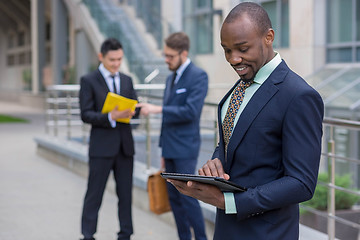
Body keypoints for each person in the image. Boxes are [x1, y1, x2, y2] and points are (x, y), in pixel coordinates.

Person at [167, 2, 324, 240]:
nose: (233, 58)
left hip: (267, 232)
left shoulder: (299, 95)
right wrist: (217, 160)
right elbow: (233, 140)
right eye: (226, 50)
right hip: (228, 228)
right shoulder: (242, 84)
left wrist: (229, 201)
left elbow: (302, 183)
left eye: (242, 48)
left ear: (269, 37)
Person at [139, 32, 208, 240]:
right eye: (165, 54)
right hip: (169, 148)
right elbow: (168, 120)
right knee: (174, 199)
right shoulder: (171, 78)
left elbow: (191, 112)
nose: (166, 59)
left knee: (189, 198)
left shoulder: (198, 76)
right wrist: (162, 150)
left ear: (183, 53)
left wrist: (157, 109)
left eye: (170, 56)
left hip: (185, 148)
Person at [79, 38, 138, 240]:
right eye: (112, 60)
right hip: (101, 148)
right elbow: (85, 114)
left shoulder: (127, 80)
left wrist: (134, 111)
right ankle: (87, 235)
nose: (116, 64)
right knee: (94, 194)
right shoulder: (88, 80)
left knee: (125, 195)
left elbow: (135, 111)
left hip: (125, 148)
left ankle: (126, 234)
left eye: (119, 59)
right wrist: (110, 117)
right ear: (101, 57)